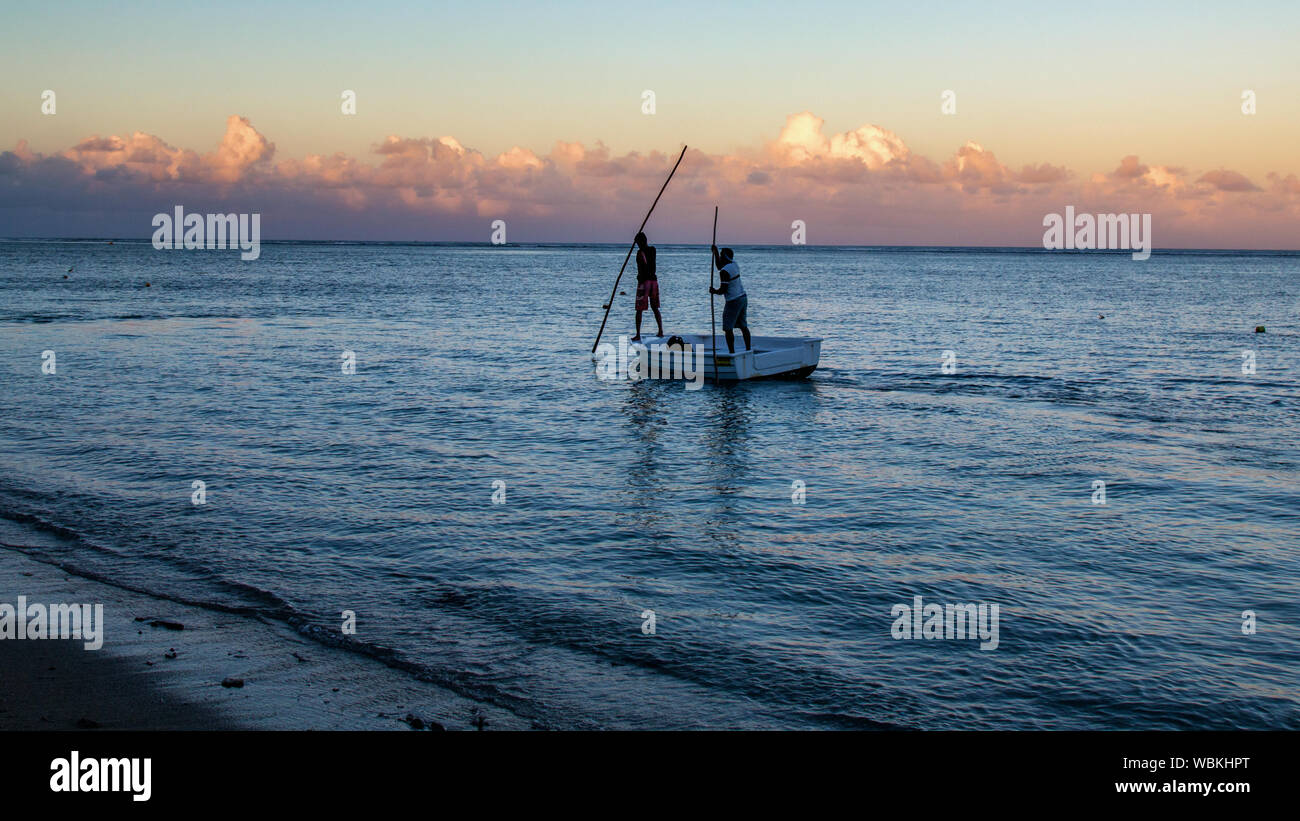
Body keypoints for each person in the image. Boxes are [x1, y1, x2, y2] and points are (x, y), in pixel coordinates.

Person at [709, 245, 750, 353]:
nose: (721, 257)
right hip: (743, 298)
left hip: (733, 301)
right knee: (743, 326)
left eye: (722, 255)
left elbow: (723, 290)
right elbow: (719, 266)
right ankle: (748, 349)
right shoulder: (734, 265)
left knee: (728, 328)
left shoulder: (725, 272)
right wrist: (716, 252)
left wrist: (714, 291)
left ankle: (732, 352)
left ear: (725, 258)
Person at [631, 232, 663, 341]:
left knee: (639, 309)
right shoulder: (653, 250)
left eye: (638, 243)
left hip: (644, 282)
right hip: (654, 282)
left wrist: (639, 277)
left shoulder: (640, 253)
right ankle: (660, 331)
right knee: (655, 308)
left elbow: (641, 266)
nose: (637, 245)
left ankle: (638, 334)